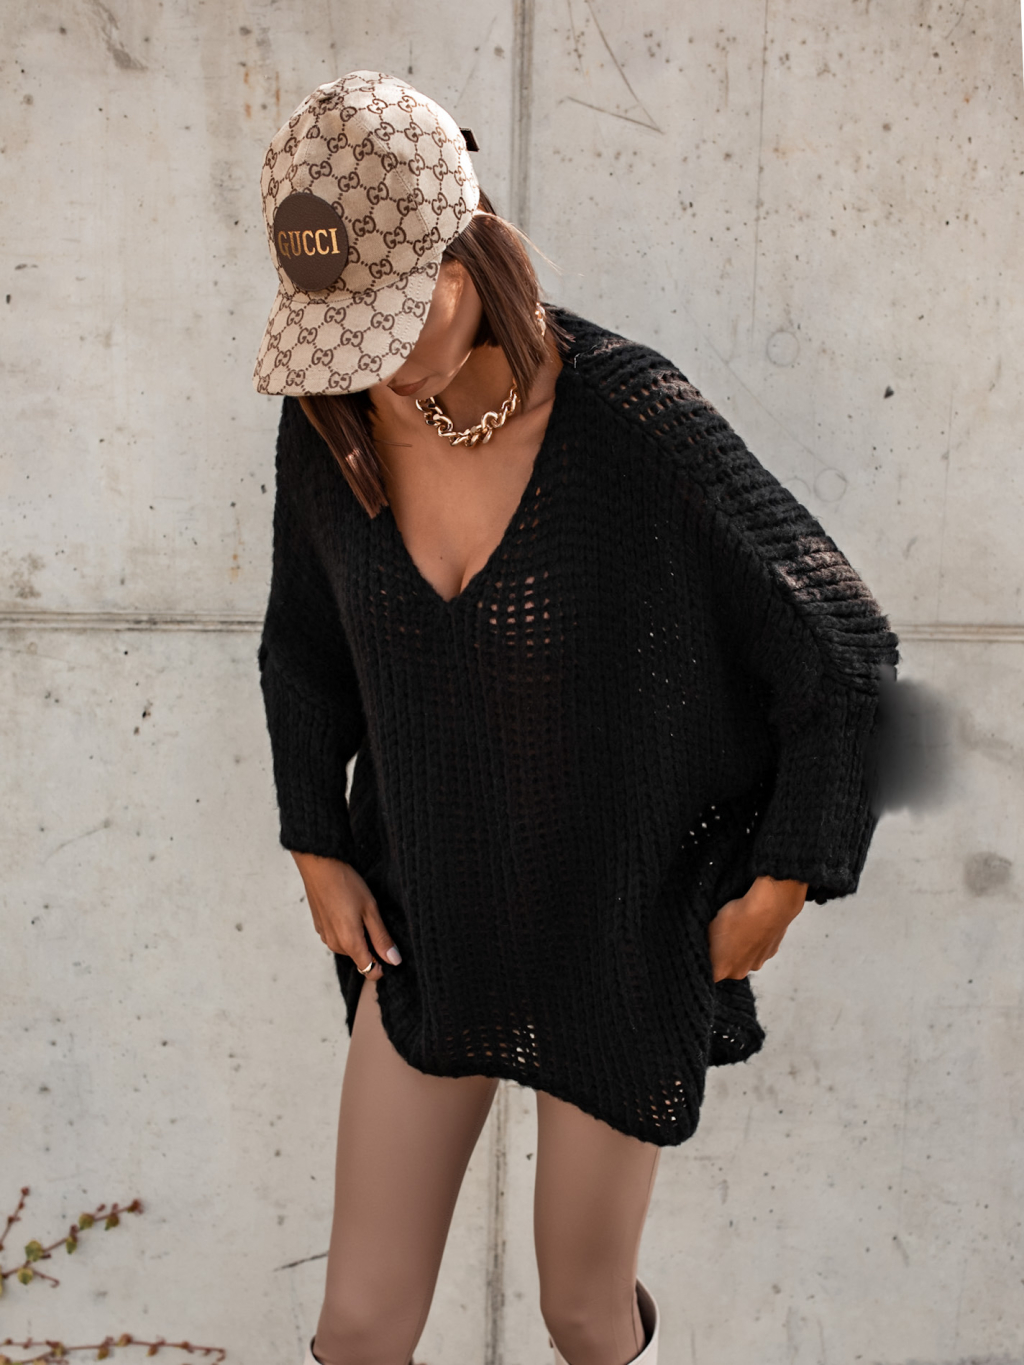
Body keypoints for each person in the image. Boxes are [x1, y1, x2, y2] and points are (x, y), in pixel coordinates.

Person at [252, 72, 899, 1365]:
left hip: (618, 929)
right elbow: (303, 653)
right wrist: (316, 843)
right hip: (427, 923)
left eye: (389, 315)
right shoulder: (330, 422)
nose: (368, 358)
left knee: (583, 1314)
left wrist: (783, 881)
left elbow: (845, 655)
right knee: (360, 1325)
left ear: (464, 252)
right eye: (340, 327)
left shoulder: (630, 421)